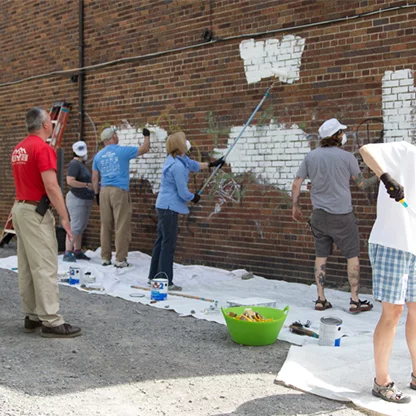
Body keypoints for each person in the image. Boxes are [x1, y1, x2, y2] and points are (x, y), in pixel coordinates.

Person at [11, 107, 82, 338]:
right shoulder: (42, 148)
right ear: (44, 125)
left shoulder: (19, 148)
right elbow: (51, 186)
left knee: (28, 265)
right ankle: (51, 320)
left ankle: (32, 316)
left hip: (20, 209)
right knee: (44, 265)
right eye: (49, 121)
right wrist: (64, 216)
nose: (51, 123)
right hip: (35, 212)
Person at [291, 118, 374, 313]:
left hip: (319, 215)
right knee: (352, 256)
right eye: (341, 132)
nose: (343, 135)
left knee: (321, 256)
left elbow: (296, 183)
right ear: (336, 136)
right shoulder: (347, 158)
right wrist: (379, 175)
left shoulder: (310, 157)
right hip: (343, 216)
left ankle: (320, 299)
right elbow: (361, 184)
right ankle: (354, 301)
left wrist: (295, 206)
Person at [360, 141, 416, 404]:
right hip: (392, 242)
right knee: (393, 311)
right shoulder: (405, 150)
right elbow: (365, 150)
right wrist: (386, 177)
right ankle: (381, 383)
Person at [147, 131, 224, 291]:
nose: (187, 141)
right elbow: (182, 192)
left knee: (161, 241)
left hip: (163, 205)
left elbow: (193, 165)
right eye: (184, 140)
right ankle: (165, 280)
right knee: (168, 244)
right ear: (179, 145)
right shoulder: (177, 167)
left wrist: (211, 165)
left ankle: (154, 276)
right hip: (169, 207)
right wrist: (193, 197)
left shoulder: (177, 159)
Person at [92, 126, 150, 267]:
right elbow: (144, 149)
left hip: (104, 191)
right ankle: (120, 259)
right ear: (112, 137)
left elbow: (94, 177)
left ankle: (105, 257)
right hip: (119, 191)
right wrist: (147, 136)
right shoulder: (122, 151)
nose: (117, 136)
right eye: (116, 134)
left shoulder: (98, 156)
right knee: (121, 225)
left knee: (105, 225)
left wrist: (96, 194)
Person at [63, 141, 95, 262]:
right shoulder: (74, 164)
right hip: (77, 198)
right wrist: (87, 185)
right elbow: (70, 181)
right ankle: (68, 252)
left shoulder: (81, 164)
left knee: (80, 226)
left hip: (84, 199)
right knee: (75, 226)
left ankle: (77, 250)